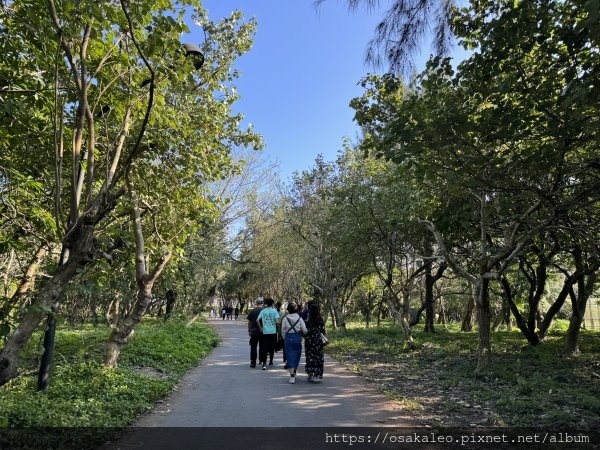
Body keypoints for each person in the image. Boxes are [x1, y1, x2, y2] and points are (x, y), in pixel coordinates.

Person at [281, 302, 307, 384]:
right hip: (297, 338)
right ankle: (293, 371)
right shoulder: (300, 319)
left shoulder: (285, 319)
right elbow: (305, 330)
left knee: (289, 356)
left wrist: (285, 337)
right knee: (296, 355)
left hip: (288, 338)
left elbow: (283, 330)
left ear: (288, 309)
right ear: (297, 310)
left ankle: (292, 375)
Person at [304, 303, 326, 382]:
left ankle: (310, 374)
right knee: (318, 357)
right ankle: (318, 374)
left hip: (309, 341)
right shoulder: (320, 320)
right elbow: (323, 331)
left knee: (309, 357)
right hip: (318, 340)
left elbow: (305, 331)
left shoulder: (308, 320)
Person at [257, 298, 279, 370]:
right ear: (272, 304)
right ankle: (271, 361)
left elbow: (257, 320)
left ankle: (264, 364)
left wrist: (261, 328)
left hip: (265, 332)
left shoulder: (263, 311)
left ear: (266, 303)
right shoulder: (274, 311)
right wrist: (279, 323)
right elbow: (277, 321)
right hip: (273, 332)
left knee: (264, 348)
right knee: (272, 347)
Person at [247, 298, 264, 368]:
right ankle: (262, 360)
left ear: (256, 303)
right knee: (262, 346)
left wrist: (249, 330)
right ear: (262, 303)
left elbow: (249, 322)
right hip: (263, 331)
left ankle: (253, 362)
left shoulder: (253, 311)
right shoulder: (264, 311)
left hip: (254, 332)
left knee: (253, 347)